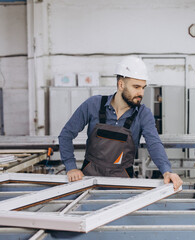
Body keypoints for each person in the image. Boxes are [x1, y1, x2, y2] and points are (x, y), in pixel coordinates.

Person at [58, 56, 183, 190]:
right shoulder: (93, 105)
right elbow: (66, 135)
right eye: (136, 87)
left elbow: (154, 144)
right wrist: (71, 167)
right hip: (89, 181)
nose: (141, 93)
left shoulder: (143, 114)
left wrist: (167, 171)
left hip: (122, 183)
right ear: (121, 84)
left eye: (143, 87)